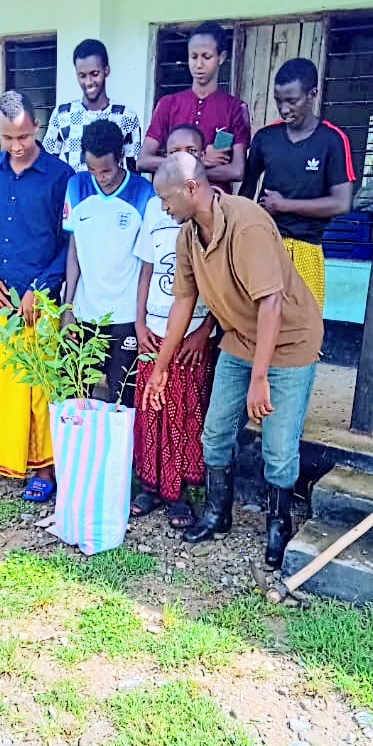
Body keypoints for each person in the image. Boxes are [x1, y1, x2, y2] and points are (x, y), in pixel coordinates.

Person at [142, 153, 323, 568]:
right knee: (216, 431)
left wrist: (260, 378)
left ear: (191, 188)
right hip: (241, 338)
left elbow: (272, 303)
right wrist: (161, 368)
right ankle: (217, 513)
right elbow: (183, 303)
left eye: (166, 199)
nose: (163, 208)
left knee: (278, 446)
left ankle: (278, 524)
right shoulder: (188, 236)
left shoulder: (248, 223)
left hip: (290, 342)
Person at [0, 90, 70, 503]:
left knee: (39, 389)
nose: (17, 146)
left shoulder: (60, 176)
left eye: (23, 136)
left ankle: (44, 467)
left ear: (37, 127)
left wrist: (41, 289)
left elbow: (69, 245)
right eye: (8, 138)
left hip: (38, 306)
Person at [132, 124, 216, 529]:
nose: (181, 155)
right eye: (172, 150)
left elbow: (220, 282)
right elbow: (146, 270)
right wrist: (139, 321)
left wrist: (205, 330)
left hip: (193, 335)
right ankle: (150, 486)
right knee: (151, 409)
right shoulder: (155, 207)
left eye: (191, 150)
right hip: (154, 328)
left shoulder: (213, 211)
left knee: (185, 414)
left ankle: (179, 492)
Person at [239, 57, 355, 309]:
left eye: (292, 101)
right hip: (265, 243)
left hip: (306, 248)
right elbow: (246, 191)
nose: (284, 109)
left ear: (312, 94)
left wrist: (284, 205)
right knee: (256, 318)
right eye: (278, 100)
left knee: (304, 322)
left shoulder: (333, 140)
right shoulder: (266, 138)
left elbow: (342, 203)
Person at [63, 119, 155, 407]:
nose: (99, 177)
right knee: (76, 400)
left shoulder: (144, 193)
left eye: (106, 170)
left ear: (120, 157)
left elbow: (147, 264)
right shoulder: (76, 186)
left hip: (125, 318)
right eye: (92, 169)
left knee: (122, 403)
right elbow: (74, 251)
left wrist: (141, 319)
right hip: (84, 314)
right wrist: (68, 308)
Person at [138, 21, 250, 189]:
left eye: (206, 57)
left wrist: (177, 166)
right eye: (194, 56)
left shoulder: (235, 108)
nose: (198, 65)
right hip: (172, 199)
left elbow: (237, 171)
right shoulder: (168, 104)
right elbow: (143, 161)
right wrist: (199, 162)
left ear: (221, 57)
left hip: (214, 200)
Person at [43, 38, 142, 173]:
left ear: (106, 70)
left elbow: (133, 167)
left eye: (94, 74)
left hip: (112, 187)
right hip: (73, 186)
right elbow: (47, 163)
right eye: (82, 76)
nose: (89, 82)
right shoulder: (62, 114)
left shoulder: (126, 116)